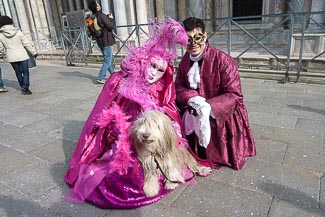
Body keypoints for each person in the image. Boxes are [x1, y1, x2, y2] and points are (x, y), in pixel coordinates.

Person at [64, 18, 211, 209]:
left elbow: (168, 114)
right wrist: (120, 132)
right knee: (122, 177)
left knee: (172, 153)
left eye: (160, 70)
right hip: (120, 140)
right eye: (152, 65)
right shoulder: (119, 81)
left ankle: (183, 167)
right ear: (143, 61)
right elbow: (103, 116)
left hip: (148, 141)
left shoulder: (158, 88)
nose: (153, 73)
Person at [175, 17, 256, 171]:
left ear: (205, 36)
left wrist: (208, 107)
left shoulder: (224, 60)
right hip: (193, 110)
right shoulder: (185, 61)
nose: (193, 44)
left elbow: (235, 95)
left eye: (197, 38)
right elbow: (178, 86)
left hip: (221, 115)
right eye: (188, 40)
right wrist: (192, 97)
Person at [0, 16, 37, 95]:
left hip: (11, 55)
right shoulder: (18, 31)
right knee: (25, 72)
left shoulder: (1, 35)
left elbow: (1, 48)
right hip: (22, 54)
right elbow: (26, 43)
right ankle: (25, 87)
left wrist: (3, 55)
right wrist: (34, 52)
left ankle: (23, 86)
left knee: (18, 72)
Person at [88, 0, 116, 84]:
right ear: (96, 7)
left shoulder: (91, 18)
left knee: (108, 59)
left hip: (100, 41)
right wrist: (111, 19)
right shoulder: (101, 16)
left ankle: (113, 75)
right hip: (106, 40)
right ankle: (101, 77)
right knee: (108, 60)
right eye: (97, 4)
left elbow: (92, 31)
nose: (99, 5)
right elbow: (110, 27)